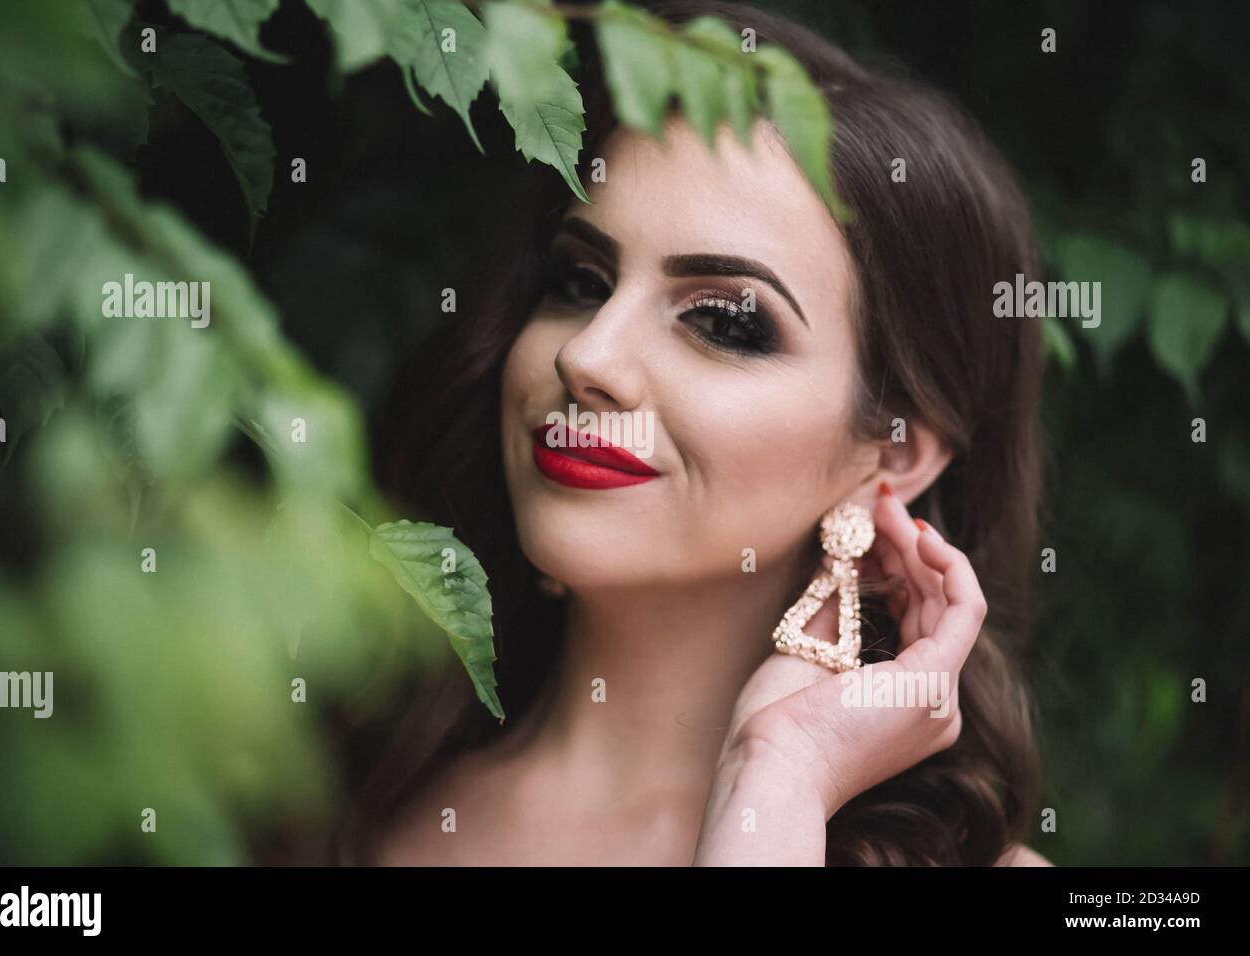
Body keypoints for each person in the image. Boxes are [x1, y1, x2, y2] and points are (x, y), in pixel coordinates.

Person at [341, 0, 1051, 866]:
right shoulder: (318, 778)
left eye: (722, 322)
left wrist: (777, 780)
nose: (588, 356)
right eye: (580, 280)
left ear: (892, 451)